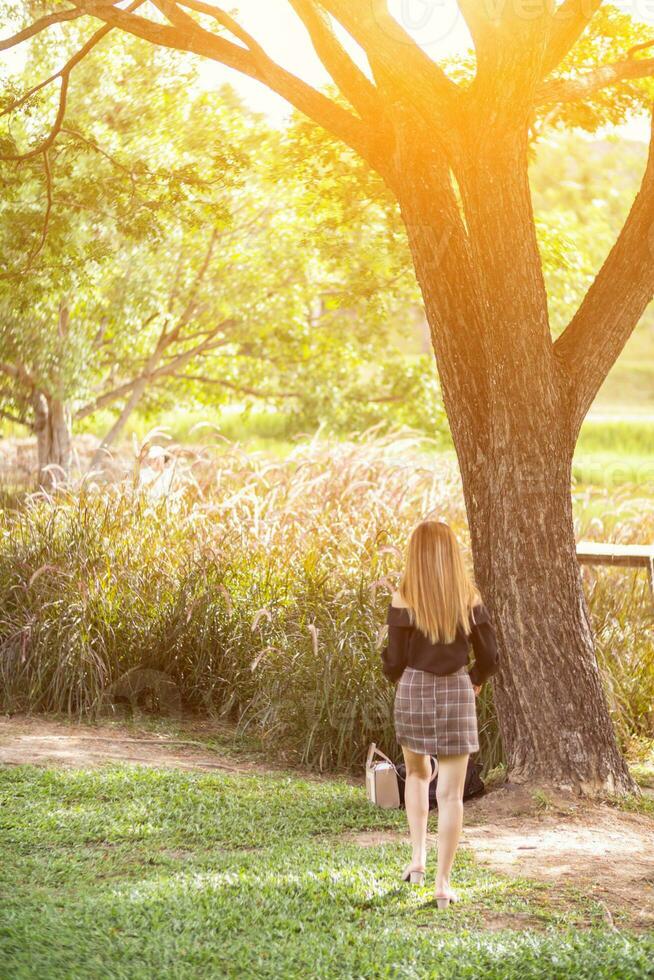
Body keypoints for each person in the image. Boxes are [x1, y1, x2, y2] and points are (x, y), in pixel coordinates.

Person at [380, 519, 499, 909]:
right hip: (455, 690)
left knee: (416, 773)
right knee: (450, 795)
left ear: (415, 553)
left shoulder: (404, 597)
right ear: (452, 552)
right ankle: (442, 884)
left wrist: (397, 674)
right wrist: (476, 679)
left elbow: (394, 661)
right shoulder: (468, 597)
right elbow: (490, 656)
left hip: (414, 688)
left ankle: (416, 859)